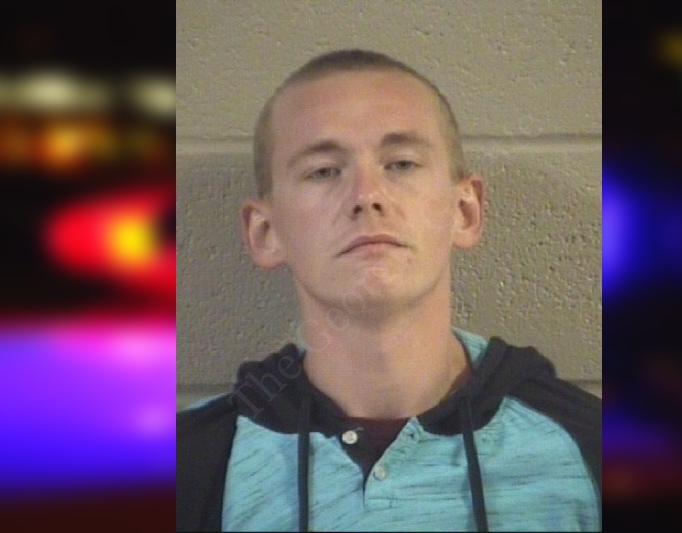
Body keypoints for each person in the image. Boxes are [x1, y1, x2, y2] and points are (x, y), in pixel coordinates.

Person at [177, 49, 601, 532]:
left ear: (465, 211)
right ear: (266, 232)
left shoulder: (591, 449)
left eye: (401, 163)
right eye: (323, 170)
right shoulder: (188, 467)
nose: (366, 195)